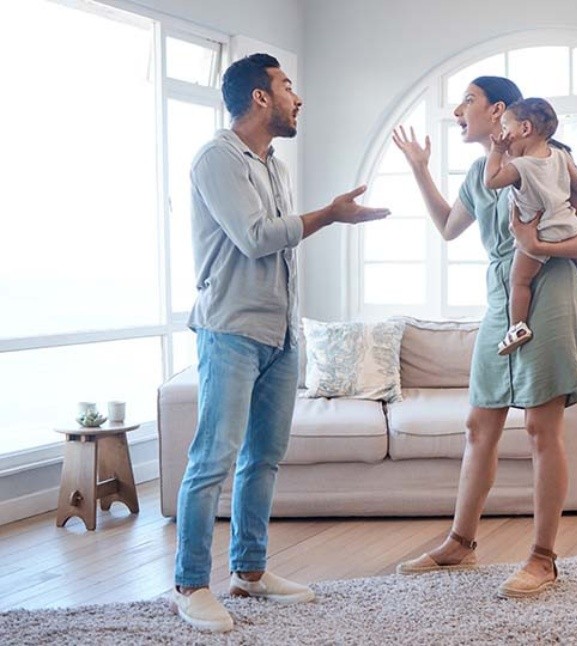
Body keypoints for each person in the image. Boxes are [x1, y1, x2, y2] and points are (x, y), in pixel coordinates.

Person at [171, 53, 389, 633]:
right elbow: (255, 238)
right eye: (287, 86)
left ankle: (249, 571)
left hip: (281, 332)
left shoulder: (276, 166)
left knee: (263, 459)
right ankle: (190, 584)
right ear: (260, 97)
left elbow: (281, 249)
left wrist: (294, 326)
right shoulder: (218, 158)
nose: (298, 98)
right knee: (212, 459)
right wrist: (331, 215)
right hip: (230, 331)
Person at [391, 76, 577, 598]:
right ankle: (460, 543)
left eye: (468, 100)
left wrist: (538, 246)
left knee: (540, 428)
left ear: (500, 112)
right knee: (478, 424)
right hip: (501, 301)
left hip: (551, 292)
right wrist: (420, 170)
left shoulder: (553, 162)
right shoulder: (478, 173)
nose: (458, 110)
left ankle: (542, 559)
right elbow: (449, 227)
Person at [485, 97, 577, 356]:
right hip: (568, 225)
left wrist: (497, 151)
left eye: (505, 127)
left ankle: (517, 327)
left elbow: (491, 181)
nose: (503, 136)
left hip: (540, 232)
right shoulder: (561, 156)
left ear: (525, 128)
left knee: (520, 281)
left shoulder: (519, 166)